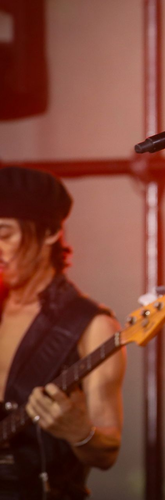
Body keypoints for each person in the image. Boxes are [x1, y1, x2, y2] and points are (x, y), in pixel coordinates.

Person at [0, 167, 125, 500]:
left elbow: (107, 453)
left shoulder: (90, 326)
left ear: (50, 232)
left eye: (4, 234)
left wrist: (80, 432)